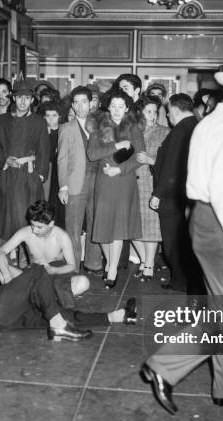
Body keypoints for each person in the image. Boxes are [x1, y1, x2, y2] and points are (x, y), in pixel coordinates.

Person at [141, 61, 223, 414]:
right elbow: (222, 190)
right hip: (221, 220)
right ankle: (164, 367)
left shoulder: (213, 123)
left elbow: (219, 171)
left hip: (204, 219)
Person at [0, 266, 137, 342]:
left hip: (1, 321)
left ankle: (116, 316)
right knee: (37, 270)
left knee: (56, 313)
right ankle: (58, 326)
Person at [87, 89, 146, 288]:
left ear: (127, 108)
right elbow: (92, 154)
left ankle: (112, 270)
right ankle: (109, 263)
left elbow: (140, 157)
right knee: (103, 226)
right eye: (113, 106)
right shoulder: (99, 127)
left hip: (124, 181)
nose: (117, 110)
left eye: (121, 106)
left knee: (119, 227)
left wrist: (119, 169)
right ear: (107, 107)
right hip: (104, 180)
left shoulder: (134, 128)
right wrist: (117, 145)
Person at [150, 93, 203, 294]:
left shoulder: (181, 129)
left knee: (173, 241)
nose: (167, 116)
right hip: (186, 195)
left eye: (167, 112)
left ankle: (180, 281)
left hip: (172, 197)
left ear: (174, 110)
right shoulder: (196, 125)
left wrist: (158, 193)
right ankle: (182, 280)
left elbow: (171, 165)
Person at [0, 80, 50, 242]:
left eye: (27, 98)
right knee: (6, 219)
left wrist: (40, 175)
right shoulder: (3, 120)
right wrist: (4, 160)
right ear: (13, 98)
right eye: (20, 97)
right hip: (7, 176)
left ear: (32, 100)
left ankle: (27, 258)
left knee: (28, 219)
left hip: (29, 177)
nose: (23, 101)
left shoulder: (39, 122)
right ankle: (7, 258)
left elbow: (44, 150)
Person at [0, 200, 90, 309]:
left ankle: (37, 298)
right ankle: (42, 298)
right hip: (32, 277)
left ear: (51, 223)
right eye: (32, 225)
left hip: (55, 279)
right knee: (0, 270)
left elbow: (72, 266)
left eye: (39, 227)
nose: (34, 230)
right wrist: (7, 277)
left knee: (83, 282)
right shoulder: (25, 232)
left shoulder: (61, 237)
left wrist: (54, 270)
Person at [58, 86, 103, 274]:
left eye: (83, 101)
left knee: (96, 224)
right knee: (73, 228)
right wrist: (63, 187)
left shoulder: (101, 126)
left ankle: (93, 263)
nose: (79, 106)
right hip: (76, 182)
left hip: (99, 180)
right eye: (75, 102)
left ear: (91, 103)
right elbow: (62, 159)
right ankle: (73, 267)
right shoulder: (66, 128)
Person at [132, 95, 169, 281]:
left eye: (155, 112)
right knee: (132, 227)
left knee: (151, 227)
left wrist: (150, 160)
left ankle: (149, 265)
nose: (153, 115)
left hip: (151, 183)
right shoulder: (131, 131)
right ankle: (144, 260)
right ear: (139, 112)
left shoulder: (164, 132)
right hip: (130, 184)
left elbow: (170, 163)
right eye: (149, 111)